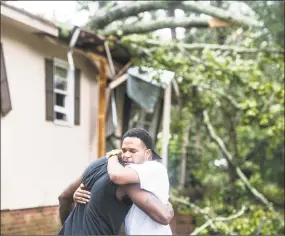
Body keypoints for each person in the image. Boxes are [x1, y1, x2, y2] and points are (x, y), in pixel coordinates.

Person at [58, 128, 173, 235]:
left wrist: (68, 228)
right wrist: (168, 207)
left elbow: (63, 197)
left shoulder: (97, 165)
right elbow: (164, 216)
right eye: (124, 150)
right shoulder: (125, 180)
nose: (127, 155)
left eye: (133, 151)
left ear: (148, 154)